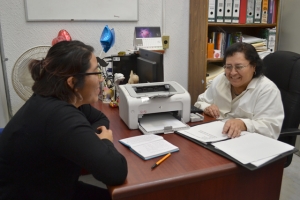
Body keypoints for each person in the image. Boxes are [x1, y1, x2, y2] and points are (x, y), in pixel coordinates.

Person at [0, 40, 127, 199]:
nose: (100, 79)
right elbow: (116, 172)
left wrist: (88, 140)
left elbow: (99, 118)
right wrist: (105, 141)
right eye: (95, 72)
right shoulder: (59, 116)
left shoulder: (63, 98)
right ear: (73, 82)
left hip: (53, 187)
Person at [194, 42, 284, 139]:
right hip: (217, 136)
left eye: (239, 67)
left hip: (247, 144)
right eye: (228, 67)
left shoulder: (267, 90)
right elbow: (200, 102)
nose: (232, 73)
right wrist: (207, 107)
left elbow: (270, 128)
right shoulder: (220, 80)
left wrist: (243, 124)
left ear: (254, 66)